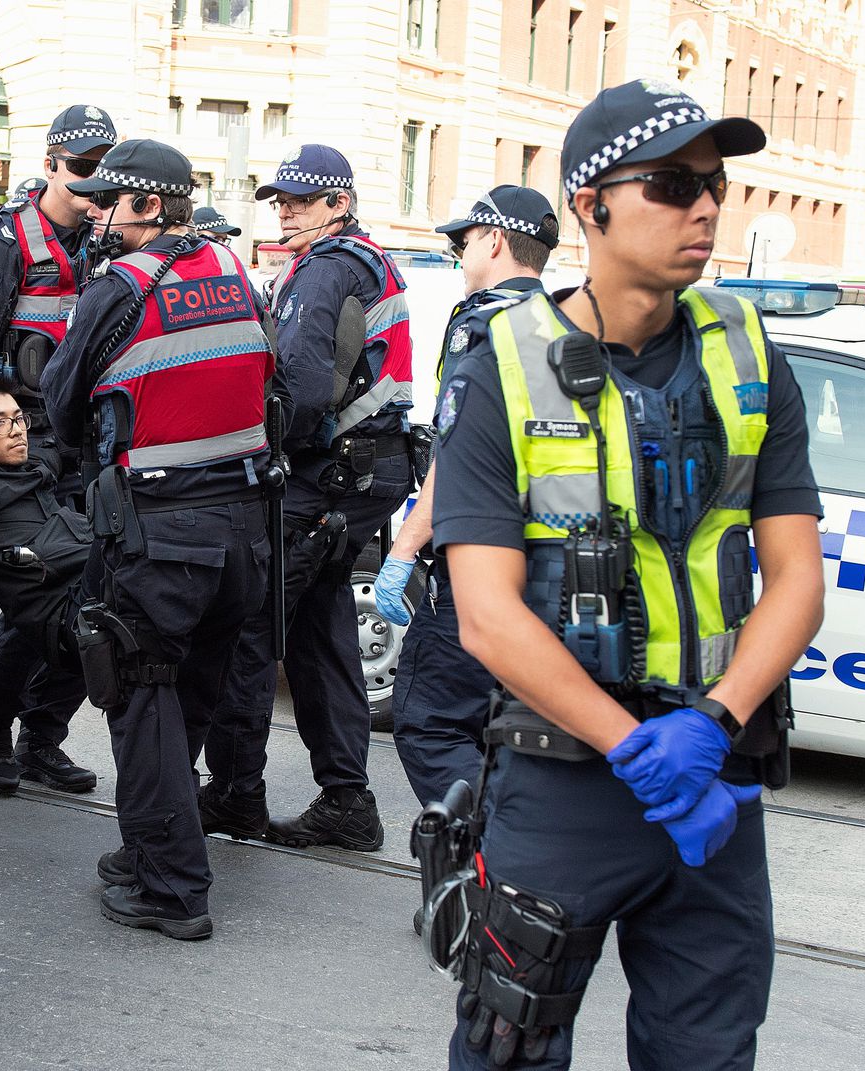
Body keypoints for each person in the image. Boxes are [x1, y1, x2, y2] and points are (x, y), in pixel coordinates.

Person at [433, 79, 824, 1069]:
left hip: (712, 777)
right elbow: (485, 616)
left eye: (713, 186)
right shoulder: (500, 366)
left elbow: (793, 578)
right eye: (668, 184)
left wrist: (712, 726)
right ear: (588, 202)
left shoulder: (746, 355)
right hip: (566, 777)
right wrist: (634, 749)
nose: (701, 207)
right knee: (506, 1046)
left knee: (706, 1052)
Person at [41, 139, 274, 940]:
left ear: (147, 207)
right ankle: (151, 848)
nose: (97, 213)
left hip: (160, 534)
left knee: (141, 699)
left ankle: (172, 888)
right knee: (189, 700)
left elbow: (62, 399)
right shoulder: (234, 270)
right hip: (243, 534)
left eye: (111, 202)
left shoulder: (121, 286)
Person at [201, 144, 413, 852]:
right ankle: (347, 800)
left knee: (249, 629)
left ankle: (235, 792)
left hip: (324, 476)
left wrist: (245, 450)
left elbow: (299, 388)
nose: (285, 211)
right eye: (280, 200)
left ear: (339, 205)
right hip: (365, 477)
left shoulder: (323, 270)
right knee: (323, 638)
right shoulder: (370, 261)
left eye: (299, 200)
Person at [375, 185, 558, 809]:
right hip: (542, 559)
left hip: (477, 559)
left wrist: (402, 552)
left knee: (430, 723)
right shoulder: (562, 322)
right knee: (506, 729)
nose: (459, 255)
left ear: (496, 240)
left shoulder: (482, 323)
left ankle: (488, 857)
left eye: (464, 242)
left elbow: (458, 454)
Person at [0, 105, 117, 789]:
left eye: (102, 173)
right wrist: (18, 392)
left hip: (81, 450)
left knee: (96, 597)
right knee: (38, 604)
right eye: (80, 170)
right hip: (16, 461)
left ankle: (41, 735)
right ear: (49, 164)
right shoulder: (6, 245)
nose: (90, 186)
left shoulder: (106, 247)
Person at [0, 380, 93, 796]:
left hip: (71, 585)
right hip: (31, 599)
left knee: (100, 621)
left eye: (18, 419)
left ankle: (40, 741)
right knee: (39, 622)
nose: (15, 429)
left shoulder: (37, 463)